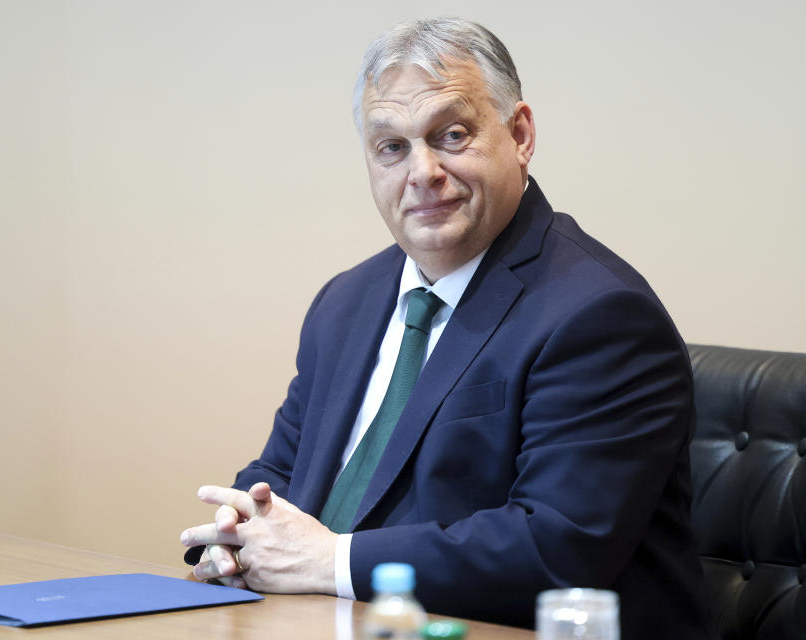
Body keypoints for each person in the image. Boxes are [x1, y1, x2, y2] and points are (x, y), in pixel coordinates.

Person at [180, 17, 710, 638]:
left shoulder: (599, 314)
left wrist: (331, 561)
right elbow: (284, 477)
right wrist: (239, 536)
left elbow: (558, 545)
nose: (422, 172)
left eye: (451, 135)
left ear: (520, 134)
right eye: (392, 147)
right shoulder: (345, 302)